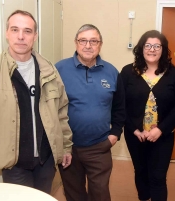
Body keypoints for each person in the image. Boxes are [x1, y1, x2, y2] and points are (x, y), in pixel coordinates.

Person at [0, 10, 73, 194]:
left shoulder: (49, 70)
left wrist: (66, 146)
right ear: (7, 33)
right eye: (15, 30)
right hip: (14, 164)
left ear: (35, 36)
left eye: (27, 31)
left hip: (46, 160)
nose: (21, 36)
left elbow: (61, 112)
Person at [55, 24, 125, 201]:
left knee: (100, 194)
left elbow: (120, 107)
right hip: (68, 147)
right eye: (83, 41)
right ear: (76, 43)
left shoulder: (112, 72)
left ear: (100, 44)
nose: (88, 45)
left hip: (99, 146)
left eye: (93, 41)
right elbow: (50, 108)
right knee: (74, 193)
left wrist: (115, 134)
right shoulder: (59, 70)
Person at [120, 30, 175, 201]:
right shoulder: (128, 72)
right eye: (148, 45)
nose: (152, 49)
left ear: (163, 49)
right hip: (135, 135)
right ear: (141, 48)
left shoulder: (174, 74)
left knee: (158, 176)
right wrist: (134, 129)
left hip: (162, 136)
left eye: (157, 46)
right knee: (140, 172)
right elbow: (120, 104)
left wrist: (161, 130)